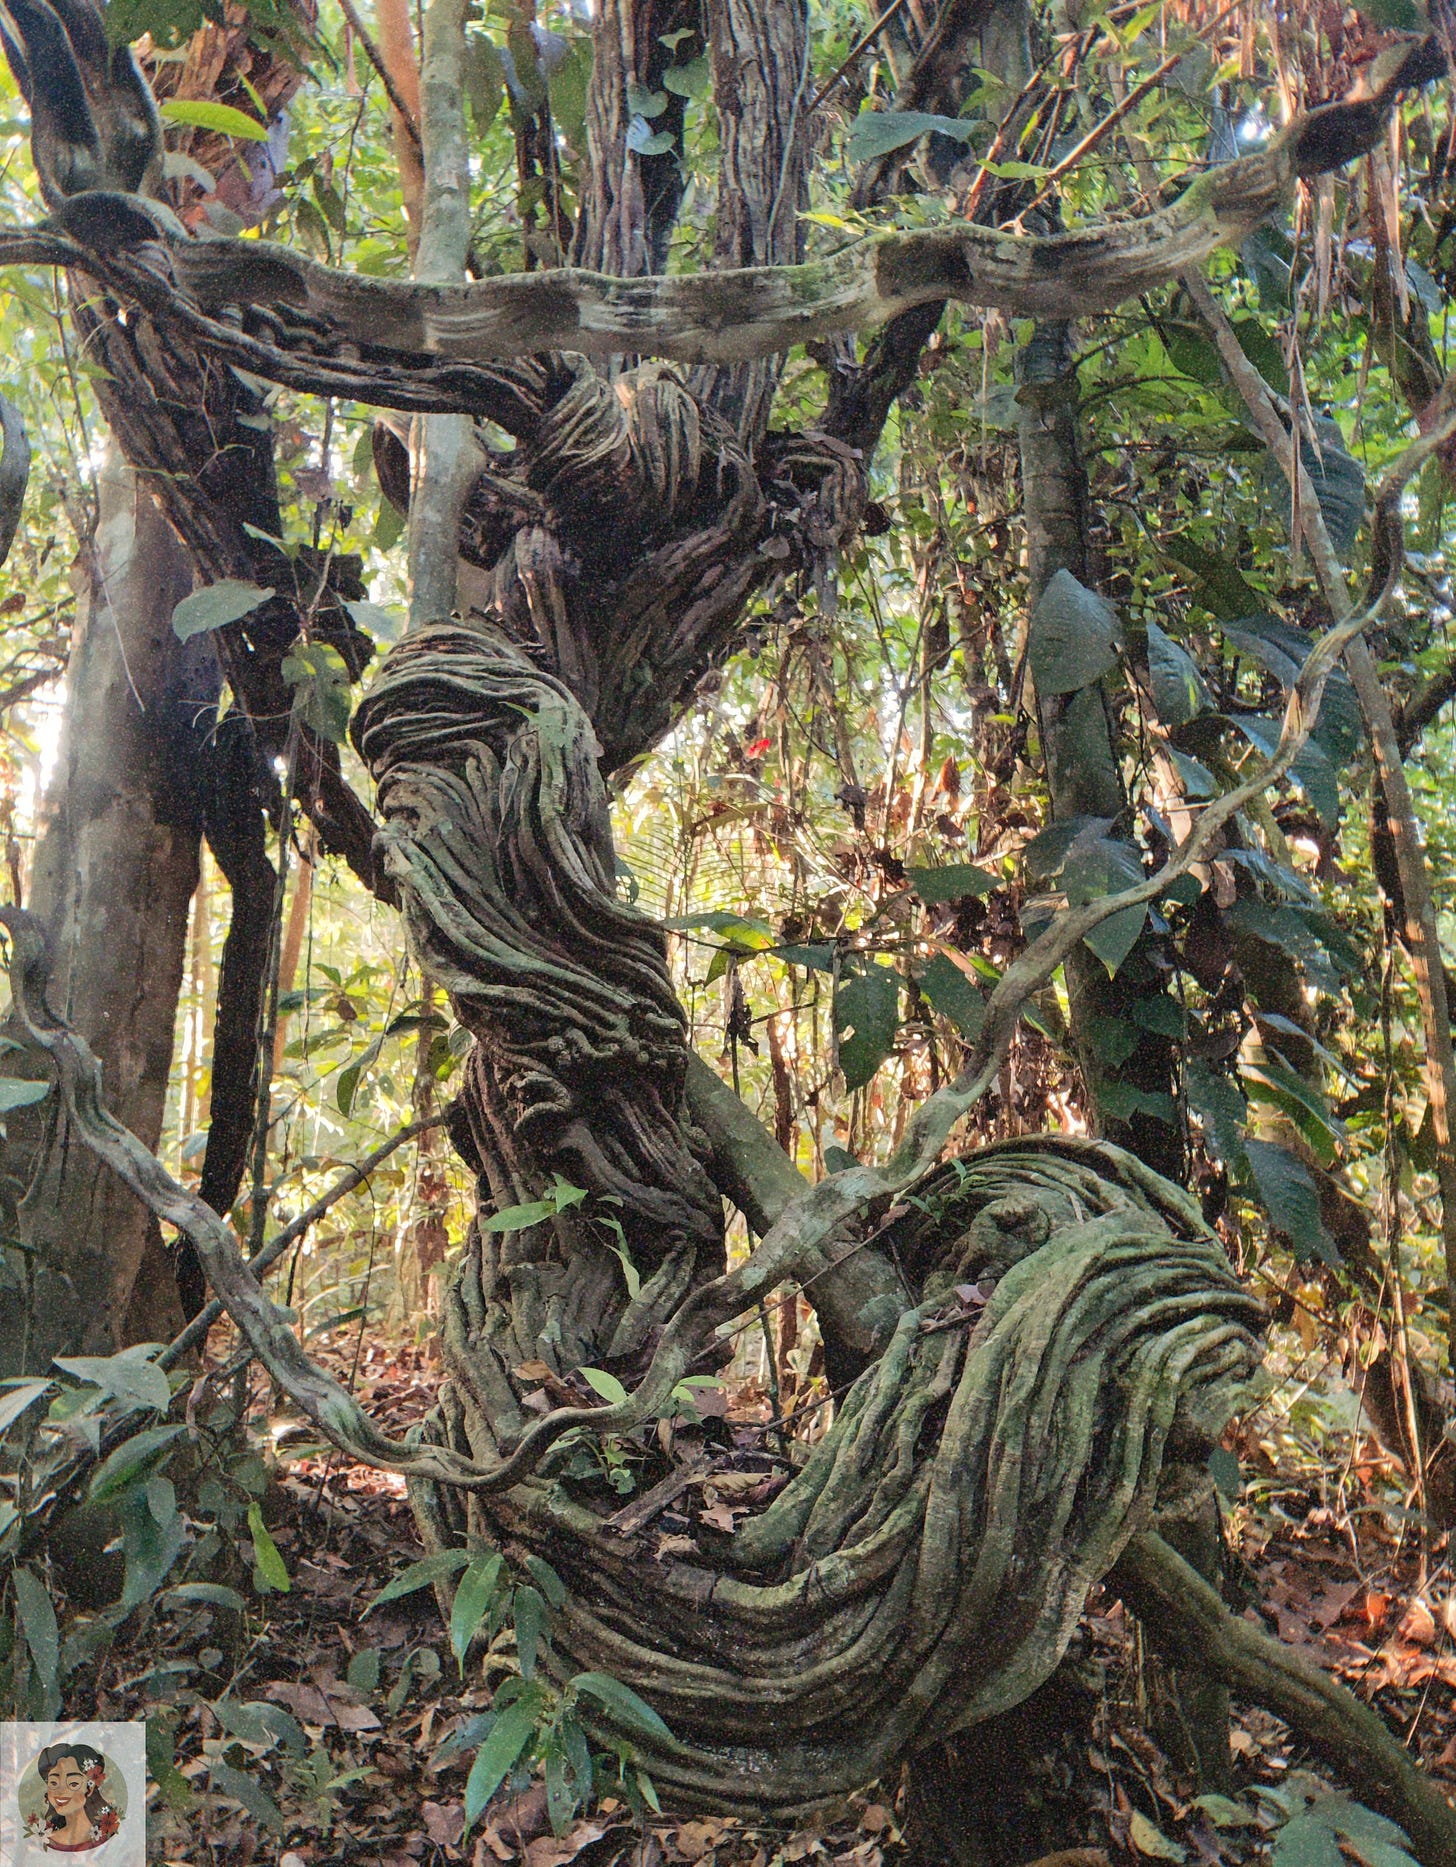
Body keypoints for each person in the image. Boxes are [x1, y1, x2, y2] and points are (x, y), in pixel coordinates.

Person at [25, 1744, 120, 1854]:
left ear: (89, 1788)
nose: (60, 1791)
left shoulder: (108, 1838)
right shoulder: (47, 1841)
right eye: (53, 1783)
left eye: (73, 1783)